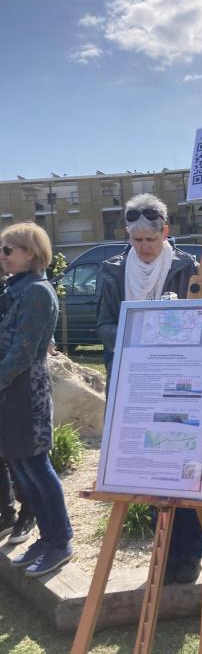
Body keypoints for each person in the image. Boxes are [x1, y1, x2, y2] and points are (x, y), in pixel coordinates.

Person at [96, 194, 202, 586]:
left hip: (178, 378)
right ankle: (161, 552)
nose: (143, 248)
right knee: (148, 465)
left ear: (166, 234)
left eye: (151, 240)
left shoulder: (187, 266)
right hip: (132, 379)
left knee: (182, 458)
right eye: (136, 240)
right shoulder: (111, 270)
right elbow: (103, 325)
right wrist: (139, 336)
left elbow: (198, 318)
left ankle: (188, 552)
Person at [0, 223, 74, 577]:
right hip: (10, 389)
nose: (2, 256)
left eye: (8, 250)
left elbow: (23, 352)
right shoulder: (16, 288)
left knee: (37, 467)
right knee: (22, 467)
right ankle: (46, 539)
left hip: (24, 391)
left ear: (30, 253)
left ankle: (60, 542)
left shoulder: (37, 292)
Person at [0, 261, 37, 545]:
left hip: (11, 379)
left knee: (16, 451)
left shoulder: (14, 291)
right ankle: (6, 511)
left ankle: (28, 510)